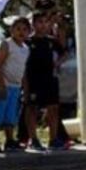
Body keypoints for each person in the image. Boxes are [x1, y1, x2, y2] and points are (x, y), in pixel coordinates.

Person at [24, 11, 66, 151]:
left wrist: (57, 63)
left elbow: (63, 53)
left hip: (50, 79)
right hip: (33, 79)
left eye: (45, 22)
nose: (42, 25)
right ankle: (33, 139)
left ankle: (53, 139)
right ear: (33, 24)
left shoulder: (51, 41)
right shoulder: (27, 42)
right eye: (39, 22)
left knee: (53, 108)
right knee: (32, 108)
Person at [0, 17, 30, 151]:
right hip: (3, 85)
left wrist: (25, 88)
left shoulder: (25, 49)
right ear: (11, 30)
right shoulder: (6, 44)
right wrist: (2, 85)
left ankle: (10, 140)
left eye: (24, 29)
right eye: (18, 29)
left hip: (15, 86)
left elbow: (22, 69)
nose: (21, 32)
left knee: (11, 114)